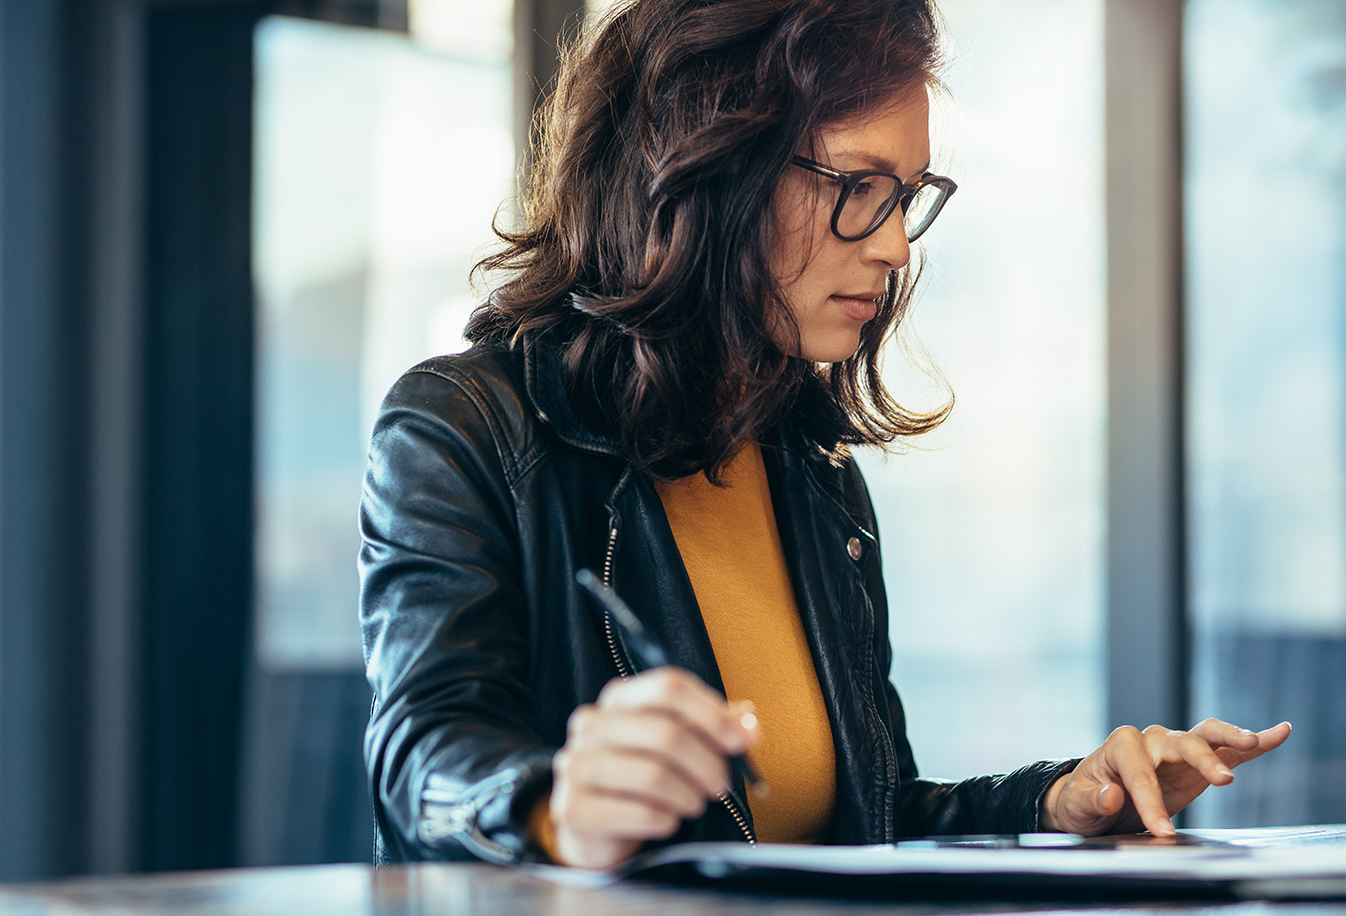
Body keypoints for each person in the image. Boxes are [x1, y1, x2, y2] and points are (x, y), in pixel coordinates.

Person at [358, 0, 1289, 871]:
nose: (894, 246)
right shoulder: (464, 427)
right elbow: (422, 759)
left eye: (908, 195)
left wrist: (1062, 801)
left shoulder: (809, 465)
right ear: (709, 165)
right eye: (860, 186)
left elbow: (870, 823)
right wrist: (557, 809)